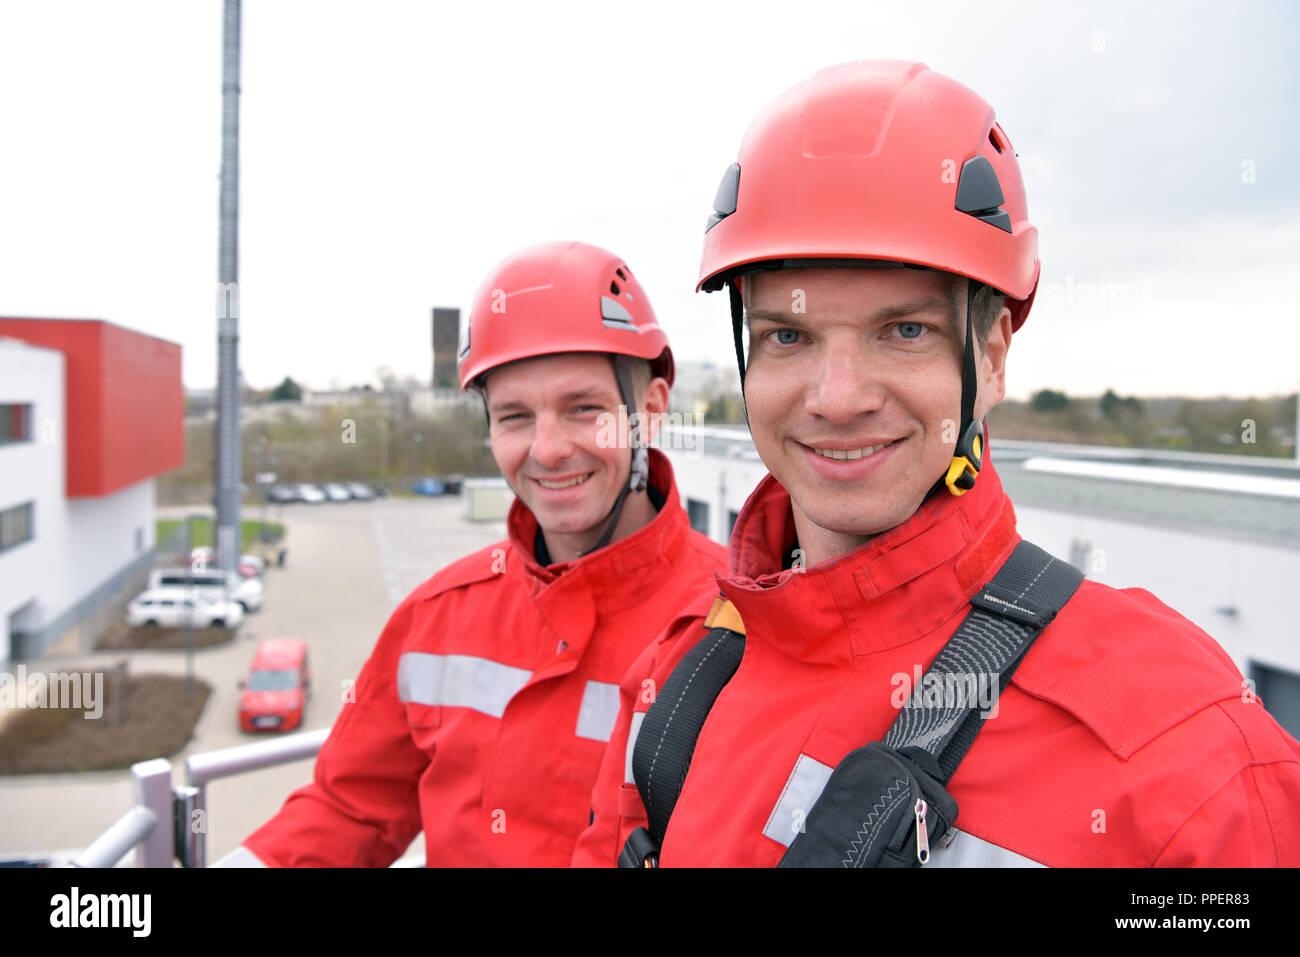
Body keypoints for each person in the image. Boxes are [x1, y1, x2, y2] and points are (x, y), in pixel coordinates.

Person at [574, 61, 1300, 867]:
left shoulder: (1185, 755)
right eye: (789, 334)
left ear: (991, 357)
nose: (838, 397)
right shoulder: (678, 684)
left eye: (905, 330)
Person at [216, 240, 727, 866]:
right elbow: (351, 810)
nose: (547, 449)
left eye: (584, 409)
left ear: (648, 410)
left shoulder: (737, 622)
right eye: (515, 416)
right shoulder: (436, 617)